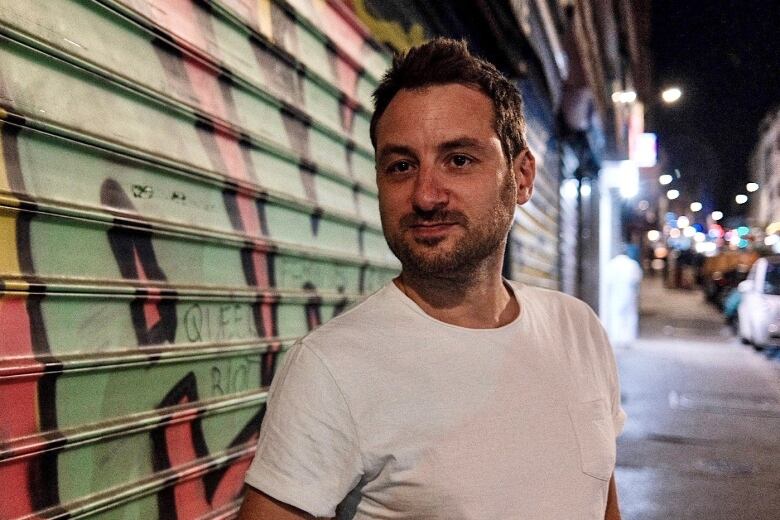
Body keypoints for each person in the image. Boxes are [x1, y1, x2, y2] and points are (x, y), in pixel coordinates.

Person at [238, 38, 625, 520]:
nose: (425, 195)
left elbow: (599, 501)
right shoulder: (331, 368)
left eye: (459, 160)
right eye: (401, 166)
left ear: (522, 177)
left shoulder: (578, 330)